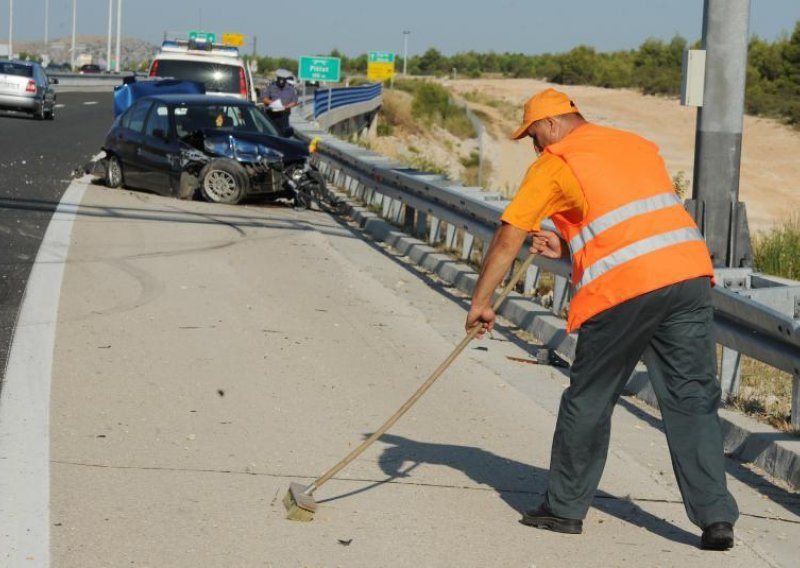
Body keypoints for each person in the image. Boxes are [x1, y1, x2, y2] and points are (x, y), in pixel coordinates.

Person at [465, 88, 739, 550]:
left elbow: (509, 232)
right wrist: (570, 245)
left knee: (590, 398)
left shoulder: (557, 162)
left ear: (551, 125)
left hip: (624, 291)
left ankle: (564, 509)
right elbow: (630, 220)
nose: (535, 147)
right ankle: (716, 519)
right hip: (687, 276)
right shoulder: (633, 143)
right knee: (691, 398)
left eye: (533, 136)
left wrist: (480, 301)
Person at [260, 68, 298, 135]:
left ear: (285, 80)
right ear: (277, 78)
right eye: (280, 80)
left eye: (283, 80)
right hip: (271, 114)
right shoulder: (270, 87)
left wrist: (286, 106)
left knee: (283, 134)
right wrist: (272, 103)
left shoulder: (291, 89)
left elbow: (294, 101)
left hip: (284, 115)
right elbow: (263, 98)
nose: (281, 82)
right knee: (269, 133)